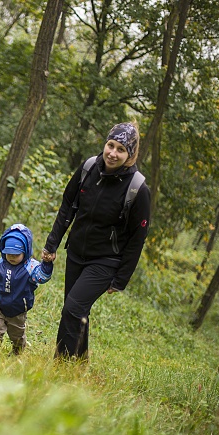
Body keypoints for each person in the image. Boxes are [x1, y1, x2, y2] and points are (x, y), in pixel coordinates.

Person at [42, 122, 150, 360]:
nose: (112, 153)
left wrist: (121, 278)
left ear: (130, 155)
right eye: (110, 145)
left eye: (121, 149)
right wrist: (52, 243)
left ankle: (61, 366)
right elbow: (67, 205)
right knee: (77, 310)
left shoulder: (137, 188)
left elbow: (137, 239)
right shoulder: (89, 168)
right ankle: (78, 363)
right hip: (77, 252)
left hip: (106, 260)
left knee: (72, 308)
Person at [0, 223, 53, 354]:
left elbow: (42, 277)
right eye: (9, 254)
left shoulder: (31, 268)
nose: (12, 257)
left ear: (25, 251)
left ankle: (17, 353)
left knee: (16, 335)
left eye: (16, 254)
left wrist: (47, 264)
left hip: (18, 309)